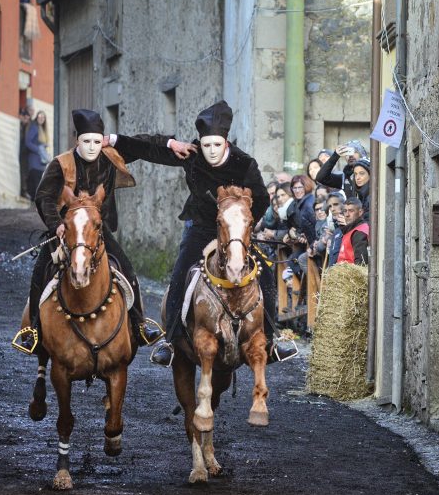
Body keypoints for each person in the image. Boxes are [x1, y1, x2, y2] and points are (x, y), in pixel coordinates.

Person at [108, 100, 298, 366]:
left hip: (234, 232)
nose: (210, 151)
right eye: (206, 145)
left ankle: (272, 339)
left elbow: (262, 199)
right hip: (201, 227)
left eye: (216, 145)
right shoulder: (193, 155)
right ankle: (171, 341)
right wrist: (115, 139)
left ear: (226, 142)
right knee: (180, 273)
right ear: (200, 142)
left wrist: (242, 225)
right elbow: (149, 149)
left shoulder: (245, 163)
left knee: (264, 272)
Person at [14, 109, 164, 354]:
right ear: (77, 141)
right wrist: (56, 225)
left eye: (96, 141)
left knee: (126, 267)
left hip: (97, 231)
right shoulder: (60, 164)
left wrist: (170, 142)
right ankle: (33, 330)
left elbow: (142, 146)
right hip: (67, 230)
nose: (92, 147)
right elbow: (44, 198)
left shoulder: (111, 157)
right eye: (86, 141)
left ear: (102, 140)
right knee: (41, 270)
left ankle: (139, 325)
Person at [24, 110, 50, 200]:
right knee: (36, 184)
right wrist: (38, 149)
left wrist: (44, 147)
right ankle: (35, 204)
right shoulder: (34, 127)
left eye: (43, 117)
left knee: (38, 183)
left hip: (41, 162)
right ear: (36, 117)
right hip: (34, 161)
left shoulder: (42, 128)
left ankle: (35, 203)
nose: (41, 119)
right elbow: (28, 142)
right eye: (39, 117)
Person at [336, 198, 369, 265]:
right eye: (345, 211)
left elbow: (361, 263)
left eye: (351, 211)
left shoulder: (359, 231)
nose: (347, 215)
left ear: (360, 212)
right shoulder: (350, 229)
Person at [18, 108, 32, 198]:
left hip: (25, 153)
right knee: (23, 172)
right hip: (21, 152)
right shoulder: (20, 126)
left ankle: (24, 190)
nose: (26, 120)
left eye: (27, 119)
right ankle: (23, 190)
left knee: (25, 172)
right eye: (25, 118)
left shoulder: (28, 127)